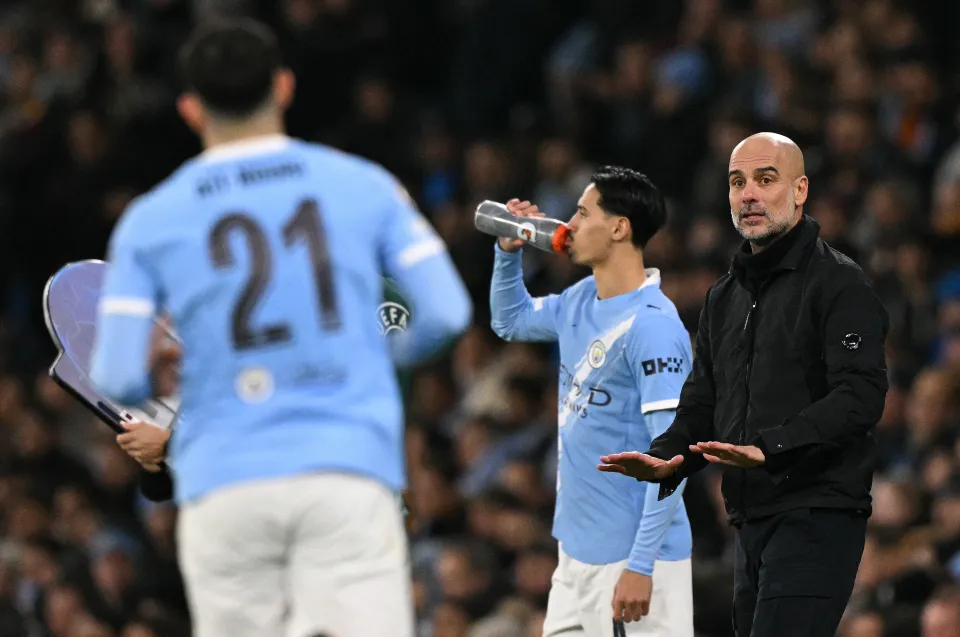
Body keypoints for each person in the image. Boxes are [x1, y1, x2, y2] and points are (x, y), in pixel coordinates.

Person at [88, 18, 472, 637]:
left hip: (224, 486)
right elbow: (448, 315)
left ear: (190, 109)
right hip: (346, 472)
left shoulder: (149, 220)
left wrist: (161, 374)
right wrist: (372, 354)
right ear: (285, 87)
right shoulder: (364, 185)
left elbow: (116, 374)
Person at [598, 133, 890, 637]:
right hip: (749, 519)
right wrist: (668, 456)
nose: (748, 194)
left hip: (817, 511)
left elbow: (860, 397)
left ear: (800, 190)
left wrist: (770, 447)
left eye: (765, 179)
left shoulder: (840, 283)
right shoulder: (724, 297)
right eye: (737, 182)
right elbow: (702, 402)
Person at [490, 166, 694, 637]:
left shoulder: (654, 328)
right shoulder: (581, 298)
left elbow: (672, 459)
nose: (570, 225)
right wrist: (507, 253)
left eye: (582, 213)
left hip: (631, 560)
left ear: (619, 228)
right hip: (575, 554)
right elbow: (510, 321)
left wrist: (640, 566)